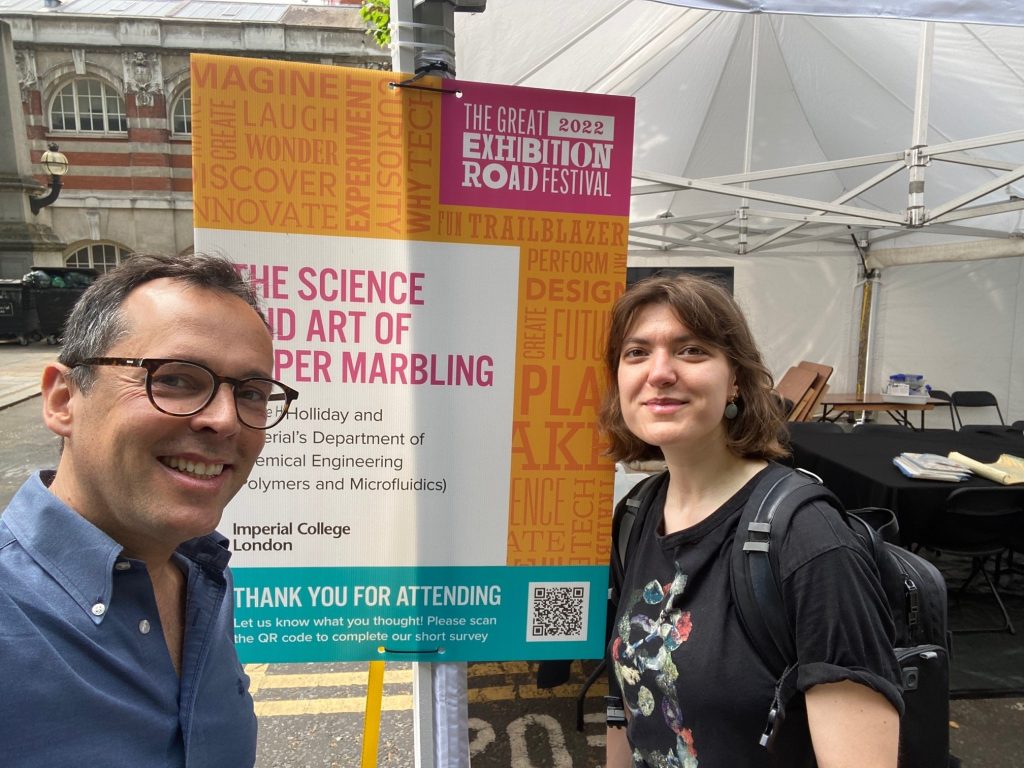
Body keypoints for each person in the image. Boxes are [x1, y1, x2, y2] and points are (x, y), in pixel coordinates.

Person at [0, 253, 298, 766]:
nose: (225, 420)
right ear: (62, 399)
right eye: (176, 379)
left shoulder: (202, 581)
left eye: (250, 392)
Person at [601, 275, 902, 767]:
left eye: (691, 350)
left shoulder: (809, 540)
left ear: (735, 379)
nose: (659, 372)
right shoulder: (637, 514)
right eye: (636, 352)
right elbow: (628, 706)